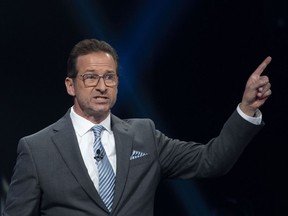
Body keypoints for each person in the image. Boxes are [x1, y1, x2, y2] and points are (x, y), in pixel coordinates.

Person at [2, 39, 272, 216]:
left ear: (117, 83)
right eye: (90, 77)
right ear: (70, 85)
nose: (101, 86)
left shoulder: (144, 135)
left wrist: (246, 109)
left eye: (109, 77)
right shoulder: (37, 148)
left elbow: (212, 161)